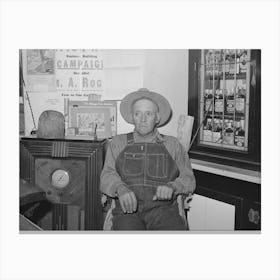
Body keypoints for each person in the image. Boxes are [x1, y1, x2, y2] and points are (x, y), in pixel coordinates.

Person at [100, 88, 196, 230]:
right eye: (138, 114)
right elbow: (106, 175)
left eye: (148, 114)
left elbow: (189, 179)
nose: (143, 119)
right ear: (132, 117)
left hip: (164, 212)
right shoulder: (118, 143)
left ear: (157, 118)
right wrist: (120, 188)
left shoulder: (172, 144)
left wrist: (173, 187)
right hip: (127, 211)